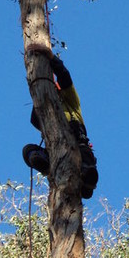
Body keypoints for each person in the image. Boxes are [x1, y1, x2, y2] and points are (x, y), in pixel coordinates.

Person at [22, 46, 98, 199]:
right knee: (28, 151)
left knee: (85, 159)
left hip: (77, 139)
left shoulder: (71, 101)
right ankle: (48, 165)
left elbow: (64, 77)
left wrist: (51, 57)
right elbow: (34, 119)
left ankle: (86, 176)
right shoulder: (44, 110)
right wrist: (41, 92)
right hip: (56, 145)